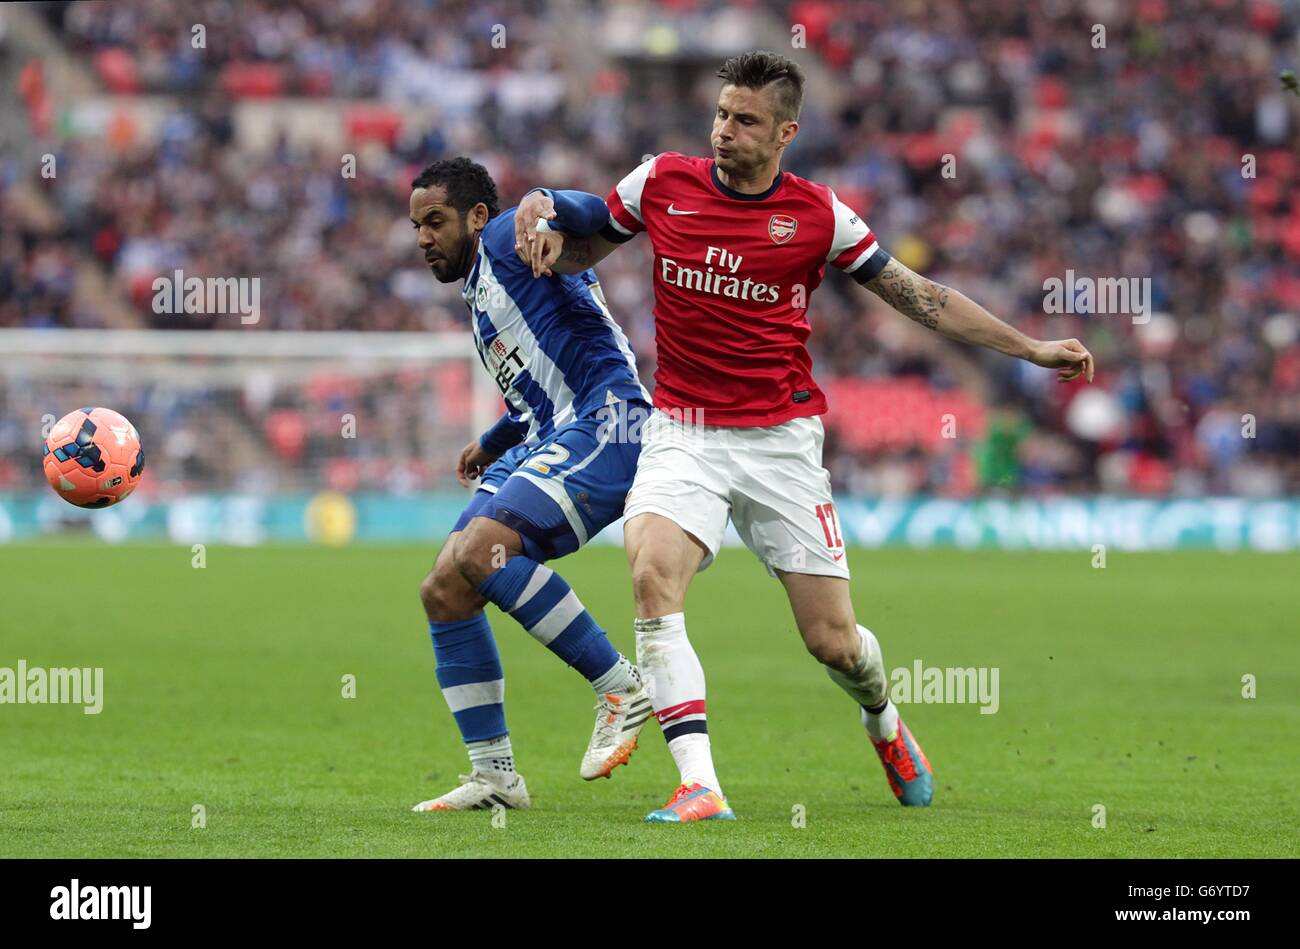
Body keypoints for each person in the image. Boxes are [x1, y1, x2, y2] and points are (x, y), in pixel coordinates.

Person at [514, 51, 1095, 822]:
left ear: (785, 132)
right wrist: (544, 216)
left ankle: (884, 719)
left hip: (780, 443)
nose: (724, 131)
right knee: (652, 574)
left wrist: (1030, 348)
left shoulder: (821, 216)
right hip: (682, 429)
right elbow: (594, 233)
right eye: (721, 113)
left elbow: (921, 298)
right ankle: (700, 784)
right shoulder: (661, 181)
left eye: (745, 120)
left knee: (834, 642)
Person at [409, 157, 654, 812]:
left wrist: (545, 201)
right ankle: (495, 775)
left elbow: (604, 216)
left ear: (477, 216)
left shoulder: (506, 240)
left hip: (610, 421)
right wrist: (492, 443)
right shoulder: (484, 292)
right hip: (552, 434)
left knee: (480, 549)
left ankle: (620, 685)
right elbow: (533, 398)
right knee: (444, 587)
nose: (424, 237)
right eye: (417, 227)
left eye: (435, 221)